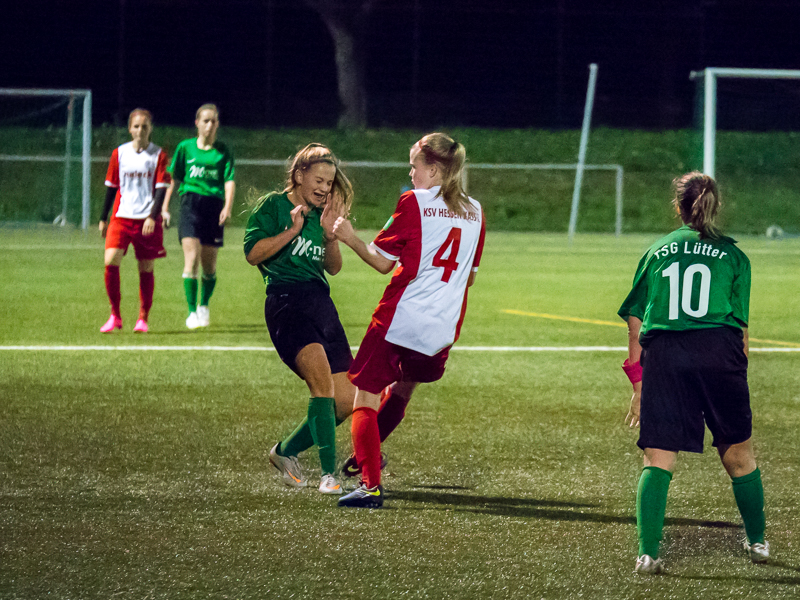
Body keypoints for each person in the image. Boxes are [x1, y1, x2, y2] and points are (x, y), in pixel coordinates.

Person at [618, 171, 768, 574]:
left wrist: (637, 381)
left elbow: (635, 320)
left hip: (666, 354)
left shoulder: (657, 251)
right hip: (719, 351)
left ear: (678, 207)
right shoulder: (734, 256)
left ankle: (648, 553)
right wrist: (735, 376)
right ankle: (757, 542)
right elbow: (740, 328)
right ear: (716, 206)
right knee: (739, 455)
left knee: (658, 456)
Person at [332, 132, 486, 508]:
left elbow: (383, 262)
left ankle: (370, 485)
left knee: (366, 395)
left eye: (414, 165)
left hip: (400, 318)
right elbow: (469, 278)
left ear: (433, 169)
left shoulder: (414, 202)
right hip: (443, 328)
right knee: (401, 390)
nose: (411, 173)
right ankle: (367, 454)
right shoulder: (476, 211)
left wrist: (349, 237)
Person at [244, 143, 356, 495]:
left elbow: (333, 268)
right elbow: (252, 253)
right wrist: (291, 232)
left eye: (329, 183)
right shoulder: (274, 206)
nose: (324, 188)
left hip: (321, 304)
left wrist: (330, 237)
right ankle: (328, 476)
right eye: (318, 180)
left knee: (347, 398)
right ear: (298, 175)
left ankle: (285, 451)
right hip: (286, 302)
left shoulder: (322, 215)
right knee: (322, 384)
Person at [163, 103, 235, 329]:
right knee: (191, 259)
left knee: (209, 266)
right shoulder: (185, 148)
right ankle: (192, 311)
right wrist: (165, 206)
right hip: (190, 205)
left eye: (213, 121)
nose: (209, 125)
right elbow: (173, 178)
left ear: (218, 124)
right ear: (197, 123)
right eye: (205, 121)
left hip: (213, 207)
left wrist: (227, 207)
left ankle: (204, 305)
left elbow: (229, 181)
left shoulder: (222, 151)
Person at [99, 108, 170, 334]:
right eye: (136, 126)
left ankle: (143, 318)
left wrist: (152, 216)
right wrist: (102, 218)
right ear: (130, 129)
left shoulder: (158, 155)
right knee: (111, 261)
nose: (140, 130)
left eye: (144, 126)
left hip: (146, 220)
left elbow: (161, 189)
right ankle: (115, 316)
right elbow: (111, 186)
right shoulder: (119, 153)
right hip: (121, 217)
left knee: (145, 267)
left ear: (150, 129)